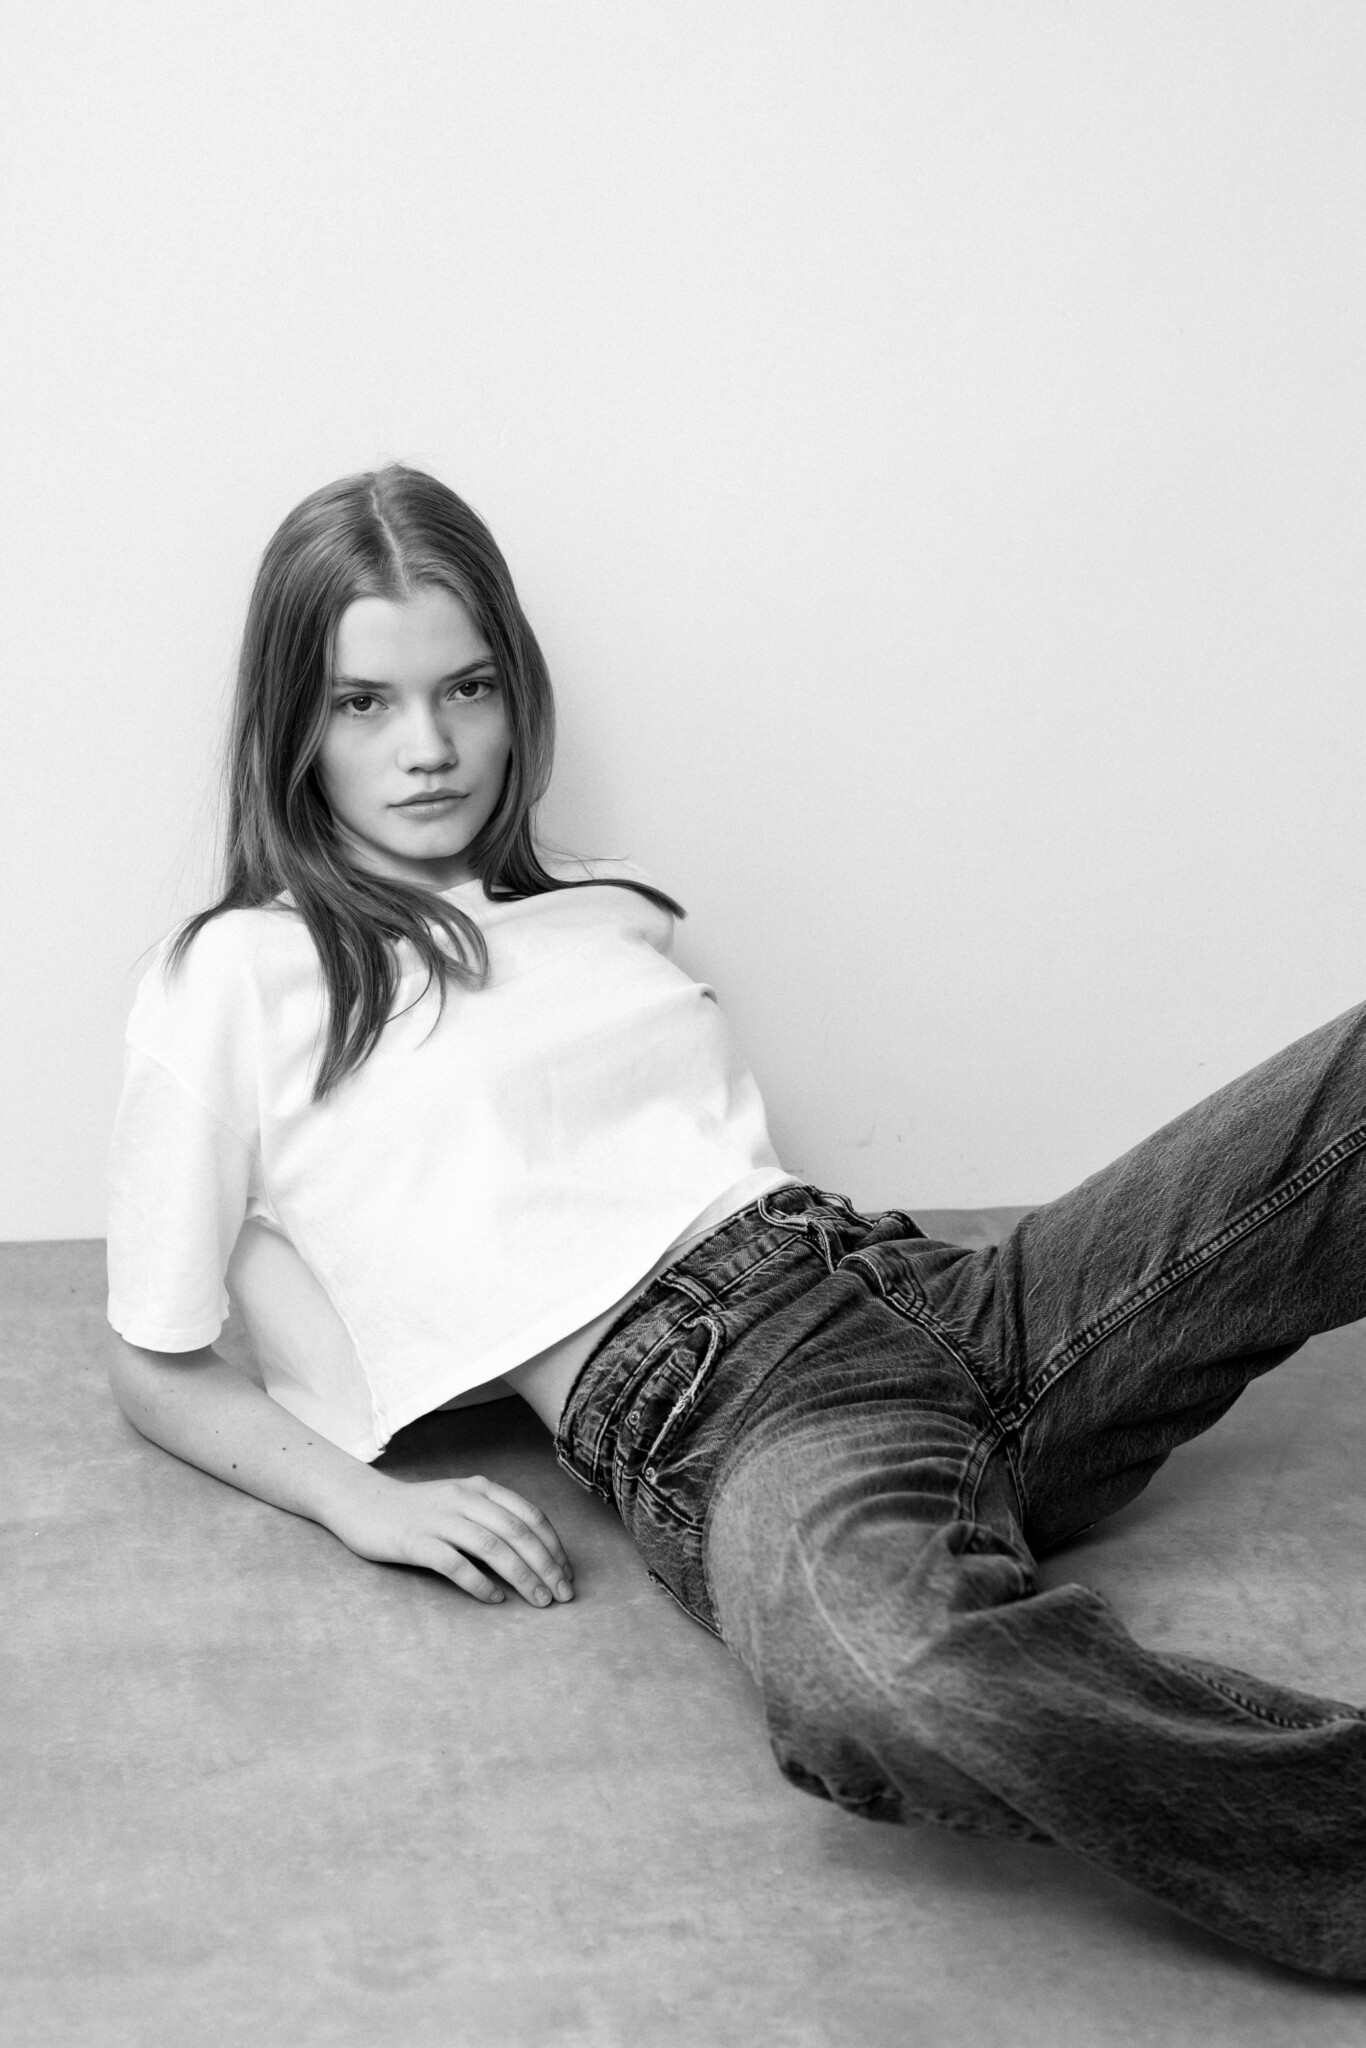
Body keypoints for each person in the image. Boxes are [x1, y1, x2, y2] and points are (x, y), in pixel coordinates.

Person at [106, 465, 1366, 1980]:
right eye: (362, 703)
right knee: (886, 1679)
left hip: (946, 1297)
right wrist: (354, 1501)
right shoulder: (238, 975)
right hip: (730, 1413)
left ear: (517, 691)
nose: (427, 747)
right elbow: (153, 1355)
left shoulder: (604, 903)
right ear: (290, 723)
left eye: (466, 688)